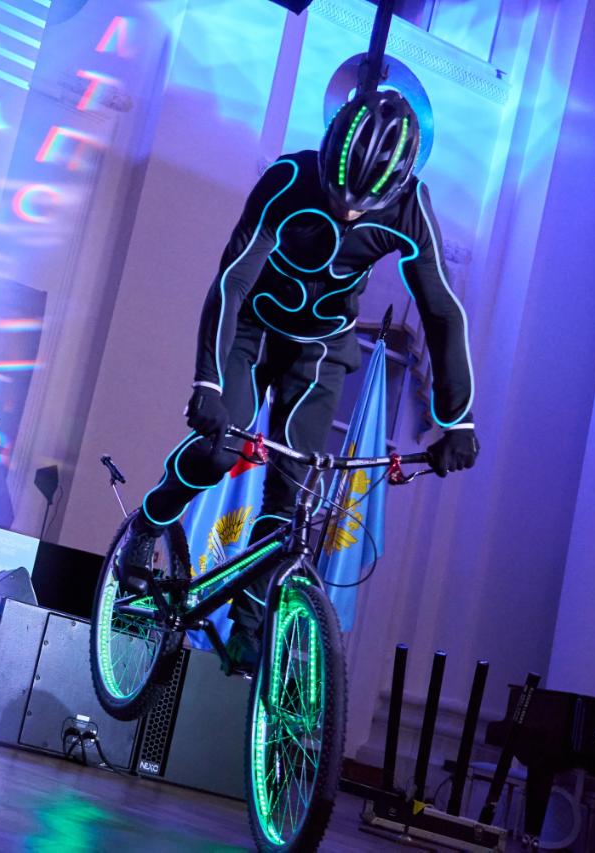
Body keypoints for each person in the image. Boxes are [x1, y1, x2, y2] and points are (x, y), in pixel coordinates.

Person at [117, 89, 479, 674]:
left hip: (321, 346)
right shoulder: (289, 178)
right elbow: (233, 281)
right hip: (252, 328)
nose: (348, 214)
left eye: (363, 206)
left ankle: (249, 625)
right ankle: (149, 522)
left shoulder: (411, 205)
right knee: (219, 451)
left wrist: (457, 419)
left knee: (293, 495)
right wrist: (208, 383)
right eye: (338, 197)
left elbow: (441, 311)